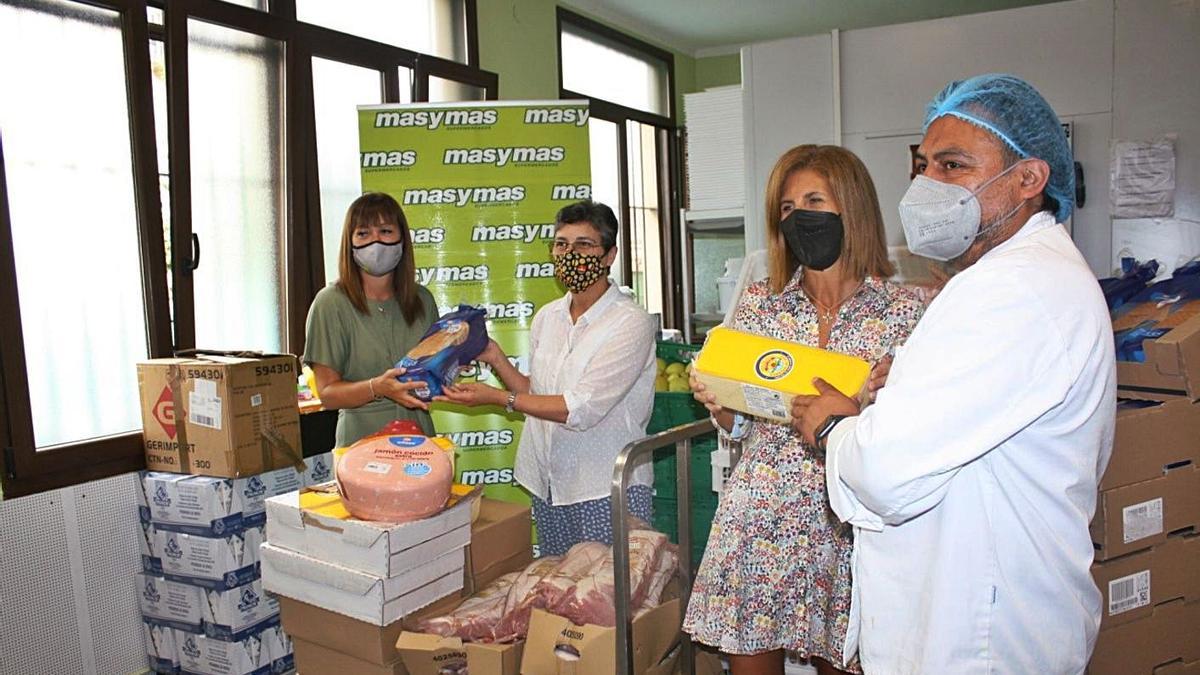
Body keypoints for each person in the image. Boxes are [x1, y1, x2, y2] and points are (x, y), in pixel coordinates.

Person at [794, 74, 1116, 674]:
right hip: (985, 610)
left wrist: (836, 425)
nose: (926, 185)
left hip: (978, 632)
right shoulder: (1016, 279)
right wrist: (907, 389)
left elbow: (883, 470)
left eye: (953, 166)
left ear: (1028, 179)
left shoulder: (1013, 287)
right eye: (924, 166)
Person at [684, 145, 924, 675]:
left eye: (815, 200)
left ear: (852, 207)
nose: (799, 217)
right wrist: (718, 400)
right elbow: (740, 423)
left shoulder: (906, 313)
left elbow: (917, 432)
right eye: (788, 209)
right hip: (760, 517)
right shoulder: (759, 305)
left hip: (850, 523)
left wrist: (886, 399)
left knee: (849, 661)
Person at [436, 200, 657, 556]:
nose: (570, 255)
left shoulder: (630, 322)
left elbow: (580, 409)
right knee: (558, 596)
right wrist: (493, 355)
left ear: (610, 255)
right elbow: (537, 393)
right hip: (549, 482)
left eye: (583, 245)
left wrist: (496, 399)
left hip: (602, 486)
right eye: (561, 244)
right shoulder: (547, 317)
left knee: (607, 600)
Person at [302, 192, 438, 447]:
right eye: (363, 233)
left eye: (385, 231)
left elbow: (430, 375)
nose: (376, 241)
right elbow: (328, 394)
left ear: (402, 239)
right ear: (350, 242)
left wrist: (449, 366)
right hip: (361, 446)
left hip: (420, 442)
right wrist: (377, 387)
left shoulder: (423, 299)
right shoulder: (330, 303)